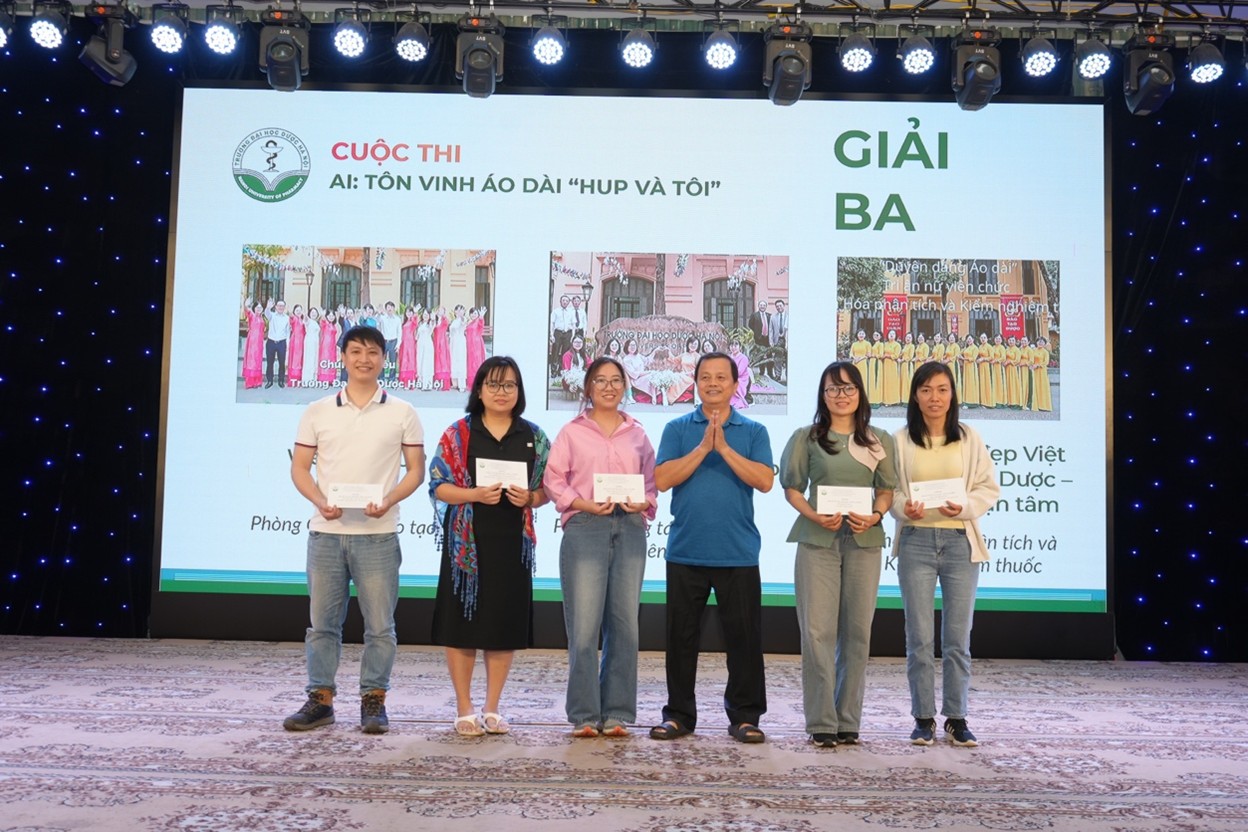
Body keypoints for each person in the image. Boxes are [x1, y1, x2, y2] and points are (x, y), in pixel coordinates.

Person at [284, 325, 426, 735]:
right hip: (326, 533)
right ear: (343, 357)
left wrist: (388, 500)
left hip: (378, 534)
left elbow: (415, 472)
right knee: (321, 626)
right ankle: (320, 700)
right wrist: (319, 501)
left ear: (384, 358)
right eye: (356, 351)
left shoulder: (403, 411)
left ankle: (373, 700)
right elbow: (300, 468)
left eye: (373, 352)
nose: (365, 359)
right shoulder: (318, 410)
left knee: (380, 627)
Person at [649, 352, 774, 744]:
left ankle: (745, 716)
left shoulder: (754, 431)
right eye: (706, 377)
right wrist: (703, 448)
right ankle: (679, 715)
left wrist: (725, 449)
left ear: (736, 385)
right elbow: (663, 479)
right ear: (696, 383)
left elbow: (765, 481)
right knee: (681, 640)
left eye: (722, 377)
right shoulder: (677, 428)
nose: (714, 383)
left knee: (744, 640)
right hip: (686, 550)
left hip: (738, 551)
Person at [428, 356, 551, 736]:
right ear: (479, 390)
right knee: (462, 625)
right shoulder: (458, 434)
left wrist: (530, 498)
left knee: (503, 625)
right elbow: (438, 486)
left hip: (512, 545)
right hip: (466, 547)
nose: (502, 392)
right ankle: (464, 708)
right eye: (493, 384)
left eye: (509, 385)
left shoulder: (534, 436)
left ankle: (492, 707)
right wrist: (474, 494)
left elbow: (547, 490)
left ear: (519, 391)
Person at [780, 361, 896, 747]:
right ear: (823, 395)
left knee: (858, 632)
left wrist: (876, 515)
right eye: (833, 389)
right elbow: (792, 488)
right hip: (818, 540)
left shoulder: (879, 440)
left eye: (848, 388)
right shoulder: (806, 438)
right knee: (817, 632)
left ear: (860, 393)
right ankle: (822, 722)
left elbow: (886, 490)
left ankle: (848, 720)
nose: (841, 395)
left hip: (864, 541)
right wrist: (814, 514)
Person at [543, 356, 657, 738]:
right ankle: (584, 714)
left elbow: (651, 483)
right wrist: (582, 503)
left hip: (630, 528)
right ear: (588, 387)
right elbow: (553, 480)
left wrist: (644, 502)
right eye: (600, 380)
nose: (609, 387)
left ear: (625, 386)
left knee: (625, 626)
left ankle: (617, 713)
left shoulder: (638, 434)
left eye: (616, 381)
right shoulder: (571, 432)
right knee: (584, 626)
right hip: (585, 527)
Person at [890, 362, 999, 748]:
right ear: (915, 396)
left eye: (941, 389)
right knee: (919, 637)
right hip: (916, 541)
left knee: (957, 638)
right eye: (926, 390)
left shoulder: (969, 438)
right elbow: (891, 493)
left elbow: (988, 488)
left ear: (952, 395)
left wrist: (965, 506)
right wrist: (904, 508)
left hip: (959, 542)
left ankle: (956, 717)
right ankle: (923, 718)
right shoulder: (900, 439)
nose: (934, 397)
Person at [264, 298, 291, 389]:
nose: (280, 307)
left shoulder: (287, 318)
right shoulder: (272, 315)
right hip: (271, 341)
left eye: (282, 306)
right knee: (270, 362)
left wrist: (287, 343)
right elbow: (266, 313)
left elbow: (288, 332)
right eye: (279, 306)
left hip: (281, 342)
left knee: (281, 362)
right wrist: (268, 307)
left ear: (284, 307)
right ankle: (269, 380)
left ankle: (281, 380)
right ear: (275, 307)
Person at [621, 338, 654, 405]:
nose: (632, 347)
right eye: (630, 345)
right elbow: (633, 374)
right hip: (636, 380)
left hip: (643, 376)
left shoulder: (638, 355)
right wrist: (648, 372)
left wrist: (655, 352)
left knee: (654, 375)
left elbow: (647, 360)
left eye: (634, 345)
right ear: (627, 347)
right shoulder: (626, 360)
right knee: (650, 377)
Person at [241, 298, 265, 389]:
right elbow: (247, 310)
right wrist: (246, 304)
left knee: (258, 361)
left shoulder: (261, 318)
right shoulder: (252, 315)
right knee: (251, 361)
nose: (259, 309)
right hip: (252, 342)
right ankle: (250, 382)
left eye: (260, 308)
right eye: (257, 308)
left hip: (259, 342)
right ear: (254, 308)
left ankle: (257, 381)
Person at [549, 295, 575, 375]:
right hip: (558, 333)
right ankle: (553, 371)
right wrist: (551, 335)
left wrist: (573, 336)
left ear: (568, 302)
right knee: (555, 351)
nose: (565, 302)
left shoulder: (571, 312)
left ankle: (561, 370)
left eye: (567, 301)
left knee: (565, 352)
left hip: (568, 333)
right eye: (563, 300)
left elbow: (573, 324)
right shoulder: (555, 311)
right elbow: (551, 323)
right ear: (560, 301)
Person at [378, 301, 403, 383]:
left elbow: (399, 333)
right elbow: (378, 325)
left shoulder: (397, 319)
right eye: (388, 307)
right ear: (386, 309)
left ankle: (392, 378)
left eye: (391, 307)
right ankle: (381, 378)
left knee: (393, 361)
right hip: (384, 341)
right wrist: (379, 312)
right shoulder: (382, 318)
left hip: (393, 341)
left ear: (394, 309)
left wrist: (398, 345)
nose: (390, 309)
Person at [398, 306, 420, 388]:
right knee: (404, 360)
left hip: (410, 342)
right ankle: (404, 381)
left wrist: (415, 312)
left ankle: (410, 381)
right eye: (407, 312)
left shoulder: (413, 321)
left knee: (410, 360)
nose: (408, 313)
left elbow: (416, 321)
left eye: (410, 312)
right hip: (403, 343)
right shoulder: (404, 322)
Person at [317, 310, 341, 384]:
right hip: (326, 345)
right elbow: (321, 320)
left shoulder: (333, 325)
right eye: (329, 315)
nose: (331, 317)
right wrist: (323, 314)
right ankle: (324, 378)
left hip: (332, 345)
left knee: (332, 360)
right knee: (325, 359)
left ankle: (331, 378)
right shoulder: (325, 323)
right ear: (326, 316)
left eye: (333, 316)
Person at [465, 307, 487, 385]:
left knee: (476, 362)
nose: (473, 315)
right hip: (469, 345)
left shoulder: (478, 321)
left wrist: (481, 317)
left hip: (476, 345)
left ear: (478, 314)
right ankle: (470, 382)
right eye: (471, 313)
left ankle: (477, 383)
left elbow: (481, 324)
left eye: (475, 313)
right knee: (470, 363)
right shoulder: (470, 323)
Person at [1031, 337, 1053, 412]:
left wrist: (1038, 365)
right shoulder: (1033, 350)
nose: (1040, 343)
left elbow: (1046, 362)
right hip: (1034, 371)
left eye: (1042, 342)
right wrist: (1031, 365)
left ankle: (1044, 405)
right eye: (1039, 341)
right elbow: (1031, 359)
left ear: (1044, 344)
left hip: (1042, 371)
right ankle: (1036, 405)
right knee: (1035, 387)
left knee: (1042, 387)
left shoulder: (1045, 352)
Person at [449, 304, 468, 393]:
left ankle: (462, 385)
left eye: (461, 310)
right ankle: (455, 383)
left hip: (460, 342)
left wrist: (462, 317)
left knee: (461, 361)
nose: (459, 312)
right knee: (454, 361)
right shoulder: (454, 321)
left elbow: (463, 323)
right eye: (457, 310)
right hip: (453, 342)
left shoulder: (463, 319)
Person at [301, 307, 321, 388]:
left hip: (316, 341)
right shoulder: (308, 321)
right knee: (309, 360)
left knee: (314, 360)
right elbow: (305, 320)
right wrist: (305, 314)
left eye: (315, 312)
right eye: (312, 312)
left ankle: (313, 379)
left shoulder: (316, 322)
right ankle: (307, 379)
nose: (314, 314)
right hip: (309, 341)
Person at [729, 339, 752, 409]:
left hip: (741, 379)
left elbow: (739, 372)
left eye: (736, 345)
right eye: (731, 345)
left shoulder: (743, 358)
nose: (733, 347)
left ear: (740, 347)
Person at [432, 307, 452, 391]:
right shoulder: (435, 320)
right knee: (437, 361)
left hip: (443, 342)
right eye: (438, 310)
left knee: (443, 361)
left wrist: (442, 316)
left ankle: (444, 383)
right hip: (436, 342)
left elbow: (446, 323)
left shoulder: (445, 320)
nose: (439, 312)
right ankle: (437, 382)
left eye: (441, 310)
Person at [287, 304, 306, 387]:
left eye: (300, 310)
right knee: (295, 360)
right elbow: (291, 317)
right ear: (294, 312)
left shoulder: (302, 320)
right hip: (295, 341)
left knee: (300, 359)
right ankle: (293, 378)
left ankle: (299, 378)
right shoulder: (294, 319)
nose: (298, 312)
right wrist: (290, 313)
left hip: (302, 341)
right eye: (297, 310)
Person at [417, 309, 435, 390]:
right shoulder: (420, 323)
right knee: (420, 362)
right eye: (424, 314)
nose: (425, 316)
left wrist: (433, 319)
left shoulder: (430, 323)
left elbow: (432, 326)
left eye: (427, 314)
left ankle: (427, 384)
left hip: (427, 345)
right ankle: (420, 381)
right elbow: (417, 335)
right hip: (420, 344)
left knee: (427, 363)